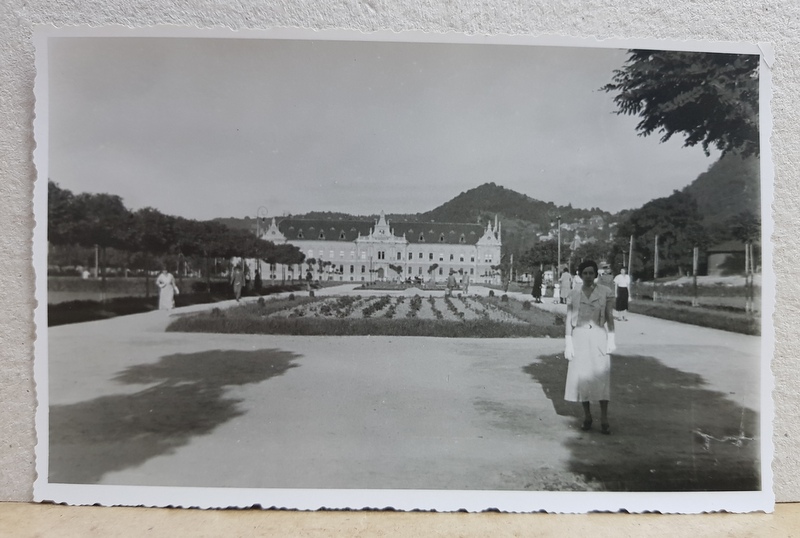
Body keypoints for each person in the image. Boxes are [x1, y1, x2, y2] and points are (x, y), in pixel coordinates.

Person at [564, 259, 616, 435]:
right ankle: (587, 416)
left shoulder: (605, 292)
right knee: (583, 377)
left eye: (591, 273)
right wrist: (568, 342)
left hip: (599, 336)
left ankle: (604, 417)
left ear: (595, 275)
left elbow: (609, 316)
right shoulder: (574, 294)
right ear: (580, 275)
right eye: (584, 273)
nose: (588, 276)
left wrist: (611, 338)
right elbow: (569, 318)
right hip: (579, 336)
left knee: (601, 376)